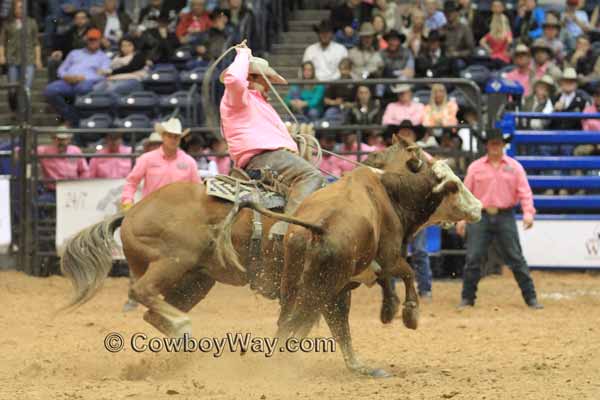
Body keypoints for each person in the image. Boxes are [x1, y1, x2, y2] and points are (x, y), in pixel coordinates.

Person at [219, 41, 325, 247]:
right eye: (267, 81)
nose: (270, 86)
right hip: (264, 158)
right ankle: (287, 227)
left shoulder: (257, 103)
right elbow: (233, 79)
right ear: (252, 78)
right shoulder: (239, 97)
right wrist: (243, 55)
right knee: (311, 175)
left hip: (272, 157)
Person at [456, 128, 543, 310]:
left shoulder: (515, 167)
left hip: (505, 214)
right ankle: (467, 298)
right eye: (492, 143)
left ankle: (531, 298)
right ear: (487, 145)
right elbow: (465, 195)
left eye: (498, 143)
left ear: (503, 145)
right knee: (473, 258)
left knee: (516, 258)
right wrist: (461, 218)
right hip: (480, 216)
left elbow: (524, 192)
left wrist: (528, 212)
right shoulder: (475, 167)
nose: (495, 146)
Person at [121, 117, 201, 210]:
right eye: (170, 136)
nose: (173, 139)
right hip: (152, 209)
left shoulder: (189, 162)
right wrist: (127, 200)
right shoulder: (147, 159)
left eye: (176, 136)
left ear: (180, 139)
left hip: (180, 210)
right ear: (163, 136)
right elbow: (132, 181)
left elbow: (197, 188)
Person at [392, 119, 433, 299]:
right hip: (396, 212)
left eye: (409, 133)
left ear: (415, 136)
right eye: (403, 133)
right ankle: (391, 291)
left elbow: (434, 175)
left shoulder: (424, 157)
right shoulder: (391, 157)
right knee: (393, 253)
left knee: (419, 251)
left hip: (416, 212)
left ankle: (425, 289)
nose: (406, 136)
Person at [44, 28, 111, 126]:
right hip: (68, 81)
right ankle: (71, 117)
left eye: (95, 40)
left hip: (86, 82)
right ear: (86, 40)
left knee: (82, 88)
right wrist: (66, 77)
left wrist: (84, 78)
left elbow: (103, 75)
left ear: (100, 40)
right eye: (90, 39)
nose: (92, 42)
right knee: (49, 90)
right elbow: (61, 69)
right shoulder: (74, 53)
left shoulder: (103, 57)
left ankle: (72, 121)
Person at [0, 0, 43, 112]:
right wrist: (2, 56)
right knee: (12, 89)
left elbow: (36, 43)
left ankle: (24, 114)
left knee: (26, 88)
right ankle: (14, 110)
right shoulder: (8, 23)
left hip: (28, 58)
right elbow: (2, 43)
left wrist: (38, 59)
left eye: (22, 7)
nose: (20, 9)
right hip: (12, 59)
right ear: (13, 9)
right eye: (18, 7)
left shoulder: (32, 22)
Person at [47, 9, 91, 83]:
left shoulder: (92, 31)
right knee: (52, 61)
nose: (80, 20)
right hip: (70, 60)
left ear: (87, 20)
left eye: (82, 18)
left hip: (86, 60)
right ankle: (53, 85)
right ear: (74, 20)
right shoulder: (70, 31)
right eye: (77, 18)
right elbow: (62, 45)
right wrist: (59, 51)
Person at [441, 0, 474, 76]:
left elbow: (471, 50)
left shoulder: (465, 28)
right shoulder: (442, 28)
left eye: (451, 12)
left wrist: (457, 54)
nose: (449, 14)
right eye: (446, 12)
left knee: (457, 64)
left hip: (460, 59)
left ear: (456, 13)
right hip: (445, 58)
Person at [322, 58, 356, 125]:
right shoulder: (334, 83)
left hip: (350, 109)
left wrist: (351, 105)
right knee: (328, 114)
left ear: (350, 69)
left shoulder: (355, 83)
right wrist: (334, 102)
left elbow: (359, 102)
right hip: (335, 107)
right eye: (341, 69)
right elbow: (326, 100)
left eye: (345, 69)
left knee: (345, 117)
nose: (343, 71)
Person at [479, 0, 513, 65]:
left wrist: (489, 50)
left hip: (497, 58)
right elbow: (510, 41)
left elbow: (481, 42)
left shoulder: (506, 33)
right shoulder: (491, 33)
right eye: (495, 6)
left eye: (498, 6)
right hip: (499, 57)